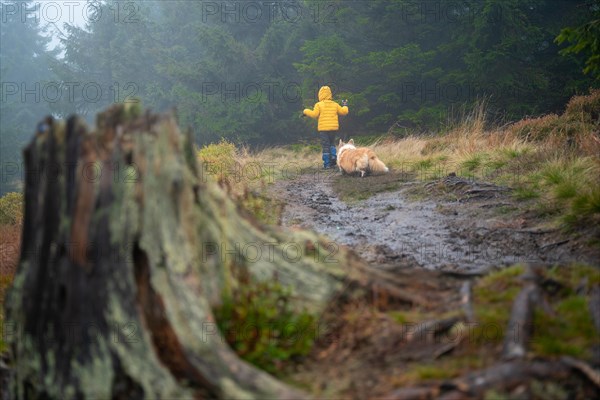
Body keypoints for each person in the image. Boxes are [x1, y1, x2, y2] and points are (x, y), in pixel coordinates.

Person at [303, 86, 349, 169]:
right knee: (332, 143)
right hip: (333, 128)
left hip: (323, 129)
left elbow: (314, 114)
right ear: (330, 94)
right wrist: (345, 105)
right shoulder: (335, 104)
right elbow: (344, 111)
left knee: (325, 146)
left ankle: (327, 164)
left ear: (320, 94)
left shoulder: (318, 105)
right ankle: (333, 158)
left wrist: (305, 111)